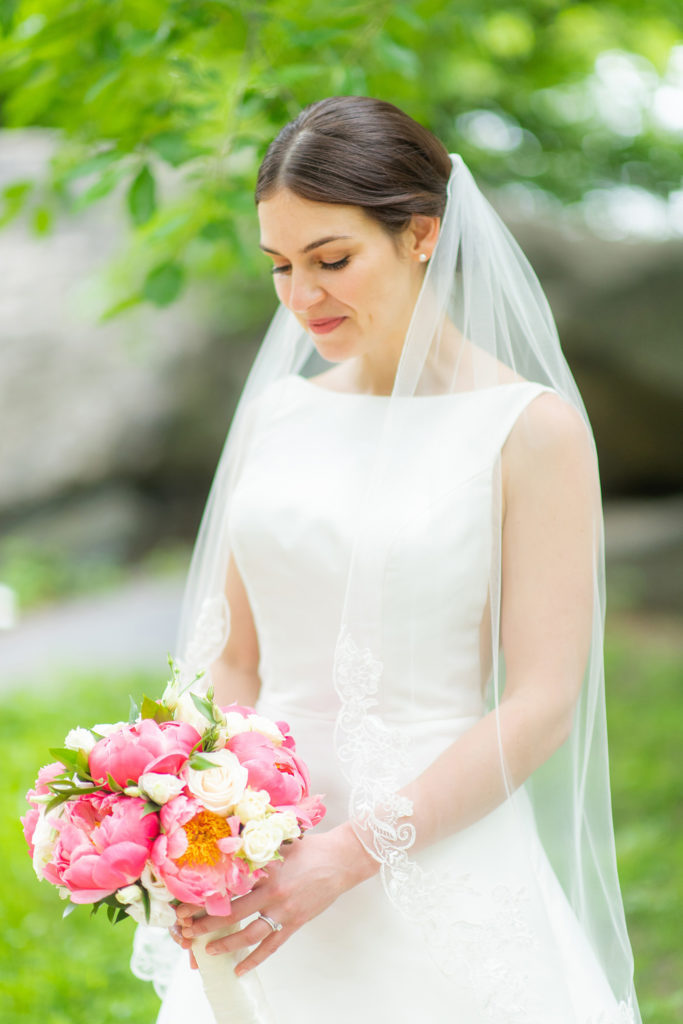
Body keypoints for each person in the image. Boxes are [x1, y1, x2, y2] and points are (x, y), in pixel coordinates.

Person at [133, 96, 641, 1023]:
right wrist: (190, 823)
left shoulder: (528, 430)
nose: (301, 298)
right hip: (257, 851)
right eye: (281, 266)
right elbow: (235, 654)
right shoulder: (277, 414)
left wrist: (354, 851)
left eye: (331, 261)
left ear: (420, 235)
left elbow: (541, 703)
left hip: (435, 848)